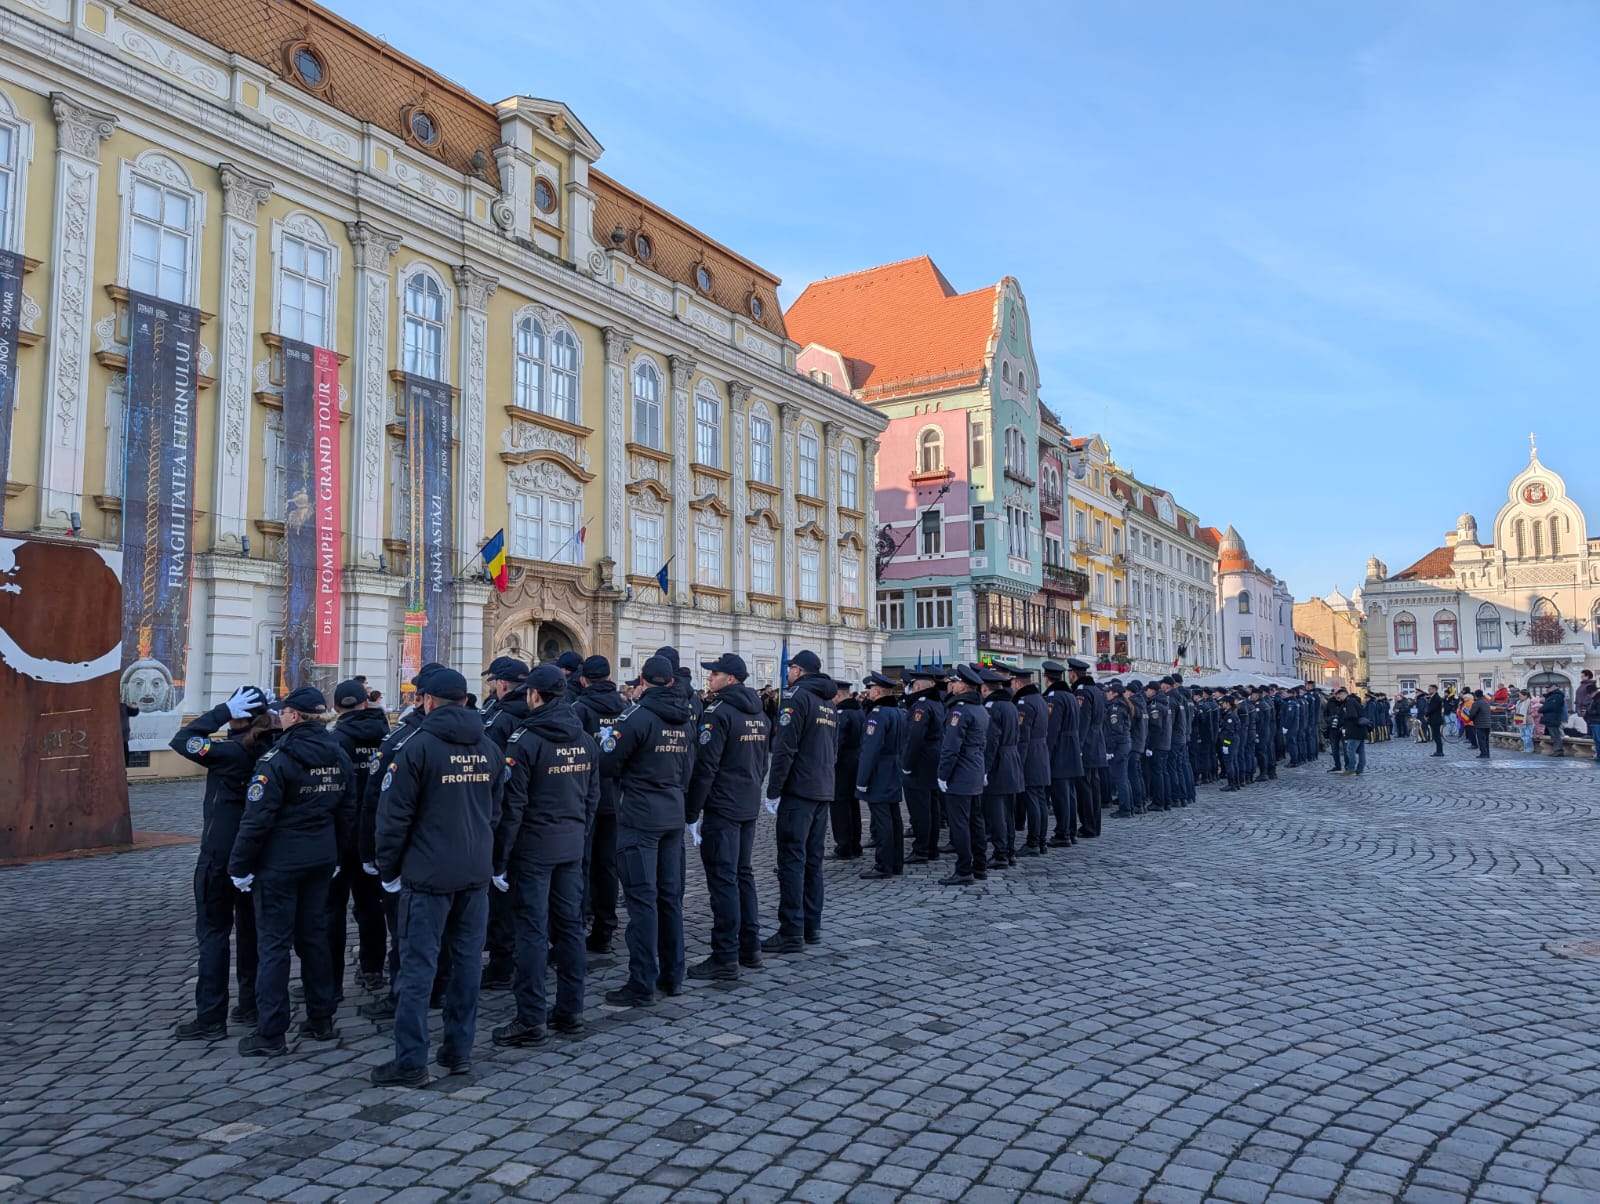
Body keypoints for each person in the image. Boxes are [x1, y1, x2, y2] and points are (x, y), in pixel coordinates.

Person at [372, 667, 505, 1085]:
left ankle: (411, 1060)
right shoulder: (489, 747)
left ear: (427, 701)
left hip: (427, 874)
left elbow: (393, 819)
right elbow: (497, 811)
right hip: (474, 871)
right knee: (466, 965)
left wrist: (389, 870)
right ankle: (457, 1051)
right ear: (465, 701)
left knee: (418, 969)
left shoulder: (416, 747)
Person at [227, 686, 355, 1058]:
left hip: (280, 863)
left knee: (275, 947)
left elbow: (257, 819)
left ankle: (271, 1032)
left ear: (294, 717)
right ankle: (321, 1018)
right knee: (314, 939)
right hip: (320, 859)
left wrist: (240, 866)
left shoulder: (276, 758)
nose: (280, 715)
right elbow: (347, 810)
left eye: (284, 711)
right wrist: (335, 855)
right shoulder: (338, 753)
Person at [491, 664, 598, 1047]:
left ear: (534, 695)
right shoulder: (584, 739)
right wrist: (579, 835)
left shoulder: (525, 741)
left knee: (532, 932)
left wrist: (499, 860)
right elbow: (592, 798)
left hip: (533, 849)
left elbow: (511, 808)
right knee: (569, 928)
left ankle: (531, 1017)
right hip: (570, 844)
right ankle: (571, 1010)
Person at [168, 685, 274, 1039]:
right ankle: (250, 1003)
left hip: (219, 853)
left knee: (213, 933)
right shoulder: (272, 748)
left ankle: (210, 1016)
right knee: (251, 931)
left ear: (238, 714)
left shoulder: (228, 751)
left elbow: (183, 739)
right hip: (257, 853)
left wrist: (220, 713)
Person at [599, 654, 694, 1005]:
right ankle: (674, 974)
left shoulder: (636, 716)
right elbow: (689, 767)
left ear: (642, 680)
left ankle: (642, 981)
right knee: (670, 899)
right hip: (672, 813)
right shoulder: (684, 719)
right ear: (669, 681)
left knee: (642, 900)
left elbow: (606, 761)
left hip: (641, 816)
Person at [685, 654, 771, 979]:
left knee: (724, 880)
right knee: (743, 875)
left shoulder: (718, 713)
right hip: (748, 802)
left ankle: (724, 956)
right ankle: (750, 948)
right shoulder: (759, 713)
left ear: (731, 679)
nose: (709, 678)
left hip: (723, 806)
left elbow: (705, 767)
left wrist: (692, 811)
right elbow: (763, 763)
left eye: (715, 674)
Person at [762, 650, 839, 953]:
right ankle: (812, 924)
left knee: (792, 862)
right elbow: (832, 749)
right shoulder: (828, 703)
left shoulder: (796, 697)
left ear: (800, 671)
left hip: (798, 791)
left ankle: (791, 929)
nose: (789, 672)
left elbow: (784, 748)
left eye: (791, 667)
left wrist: (773, 790)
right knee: (813, 860)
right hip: (822, 789)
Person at [327, 679, 391, 997]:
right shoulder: (388, 736)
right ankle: (373, 969)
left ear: (337, 708)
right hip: (376, 833)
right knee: (372, 906)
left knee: (332, 910)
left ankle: (330, 981)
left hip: (341, 837)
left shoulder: (334, 740)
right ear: (366, 704)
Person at [479, 656, 531, 990]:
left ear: (501, 684)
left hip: (503, 813)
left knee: (499, 889)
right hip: (536, 816)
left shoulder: (499, 719)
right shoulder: (540, 715)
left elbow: (492, 772)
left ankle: (501, 961)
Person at [571, 656, 626, 955]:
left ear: (583, 680)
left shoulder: (578, 709)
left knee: (582, 864)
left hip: (586, 798)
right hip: (616, 797)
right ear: (608, 677)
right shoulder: (626, 708)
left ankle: (577, 924)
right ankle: (605, 928)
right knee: (608, 866)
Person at [855, 672, 907, 880]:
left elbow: (870, 750)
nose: (867, 693)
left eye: (870, 690)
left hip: (879, 770)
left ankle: (883, 864)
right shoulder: (898, 712)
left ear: (877, 691)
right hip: (893, 766)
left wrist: (861, 781)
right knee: (894, 817)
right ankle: (896, 862)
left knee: (883, 818)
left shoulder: (877, 715)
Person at [900, 667, 948, 862]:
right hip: (935, 757)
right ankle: (931, 847)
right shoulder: (937, 703)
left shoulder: (921, 706)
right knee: (932, 806)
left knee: (920, 808)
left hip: (921, 760)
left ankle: (921, 849)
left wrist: (907, 764)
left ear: (917, 686)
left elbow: (915, 738)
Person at [979, 666, 1023, 868]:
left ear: (985, 689)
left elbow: (991, 741)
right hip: (1012, 759)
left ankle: (1001, 853)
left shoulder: (992, 708)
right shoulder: (1011, 706)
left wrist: (985, 770)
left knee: (996, 812)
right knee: (1008, 812)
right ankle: (1010, 851)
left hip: (998, 763)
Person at [1010, 666, 1051, 852]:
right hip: (1041, 751)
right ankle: (1041, 840)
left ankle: (1033, 841)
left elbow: (1023, 736)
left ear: (1018, 683)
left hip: (1030, 754)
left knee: (1032, 799)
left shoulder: (1024, 703)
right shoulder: (1040, 699)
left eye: (1012, 683)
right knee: (1040, 799)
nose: (1011, 686)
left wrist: (1019, 762)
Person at [1041, 663, 1082, 846]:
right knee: (1070, 794)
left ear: (1046, 678)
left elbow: (1052, 728)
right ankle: (1071, 830)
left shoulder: (1054, 697)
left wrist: (1046, 752)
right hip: (1072, 746)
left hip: (1060, 749)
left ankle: (1062, 832)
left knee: (1060, 795)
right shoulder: (1070, 696)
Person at [829, 680, 865, 860]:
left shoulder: (842, 713)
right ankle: (855, 843)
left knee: (839, 805)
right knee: (853, 804)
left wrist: (829, 761)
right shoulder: (858, 711)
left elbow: (837, 742)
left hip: (842, 764)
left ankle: (844, 846)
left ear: (838, 695)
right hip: (857, 760)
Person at [1104, 681, 1134, 817]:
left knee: (1120, 778)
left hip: (1119, 746)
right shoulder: (1121, 705)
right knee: (1124, 778)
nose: (1106, 694)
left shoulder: (1115, 708)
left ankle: (1125, 809)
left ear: (1114, 693)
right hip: (1124, 744)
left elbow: (1115, 731)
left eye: (1108, 691)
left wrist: (1110, 750)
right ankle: (1128, 806)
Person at [1332, 687, 1367, 776]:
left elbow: (1352, 715)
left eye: (1339, 695)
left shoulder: (1349, 702)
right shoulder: (1352, 701)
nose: (1338, 697)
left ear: (1344, 694)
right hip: (1360, 730)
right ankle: (1360, 769)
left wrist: (1344, 714)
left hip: (1354, 730)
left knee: (1350, 750)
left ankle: (1351, 769)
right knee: (1361, 751)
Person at [1540, 686, 1567, 757]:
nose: (1547, 689)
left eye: (1549, 688)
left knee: (1555, 735)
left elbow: (1550, 707)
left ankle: (1558, 750)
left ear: (1554, 688)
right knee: (1553, 736)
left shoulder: (1557, 697)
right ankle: (1556, 750)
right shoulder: (1551, 696)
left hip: (1553, 718)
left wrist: (1542, 709)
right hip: (1550, 718)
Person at [1468, 689, 1493, 759]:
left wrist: (1469, 718)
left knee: (1481, 740)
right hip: (1487, 723)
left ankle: (1483, 754)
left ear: (1476, 695)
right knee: (1486, 740)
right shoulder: (1486, 702)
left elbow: (1472, 713)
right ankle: (1487, 753)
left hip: (1480, 724)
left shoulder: (1477, 703)